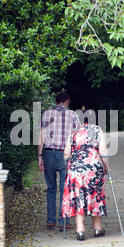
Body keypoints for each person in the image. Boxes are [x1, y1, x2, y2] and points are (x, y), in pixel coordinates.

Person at [61, 111, 109, 241]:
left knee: (78, 196)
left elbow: (66, 154)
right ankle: (97, 228)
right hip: (93, 168)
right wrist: (106, 167)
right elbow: (103, 151)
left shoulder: (74, 132)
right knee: (95, 195)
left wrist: (68, 164)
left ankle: (80, 230)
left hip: (75, 169)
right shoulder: (97, 130)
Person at [38, 92, 80, 231]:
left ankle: (50, 221)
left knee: (51, 188)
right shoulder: (72, 115)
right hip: (65, 155)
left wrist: (39, 156)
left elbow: (41, 136)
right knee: (65, 188)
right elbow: (77, 136)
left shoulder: (46, 114)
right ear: (67, 102)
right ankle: (63, 221)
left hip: (49, 153)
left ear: (56, 101)